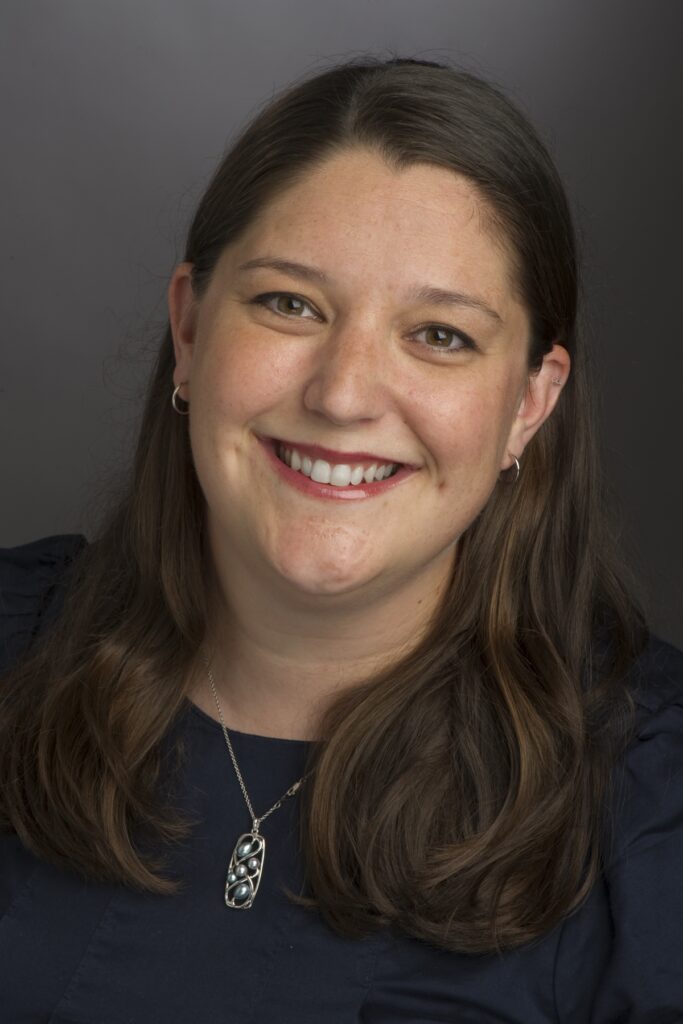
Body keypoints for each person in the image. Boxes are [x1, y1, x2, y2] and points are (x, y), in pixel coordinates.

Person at [1, 57, 682, 1022]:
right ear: (189, 330)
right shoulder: (12, 646)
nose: (343, 393)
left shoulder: (655, 808)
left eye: (440, 334)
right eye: (291, 304)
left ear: (530, 403)